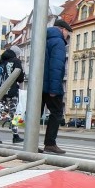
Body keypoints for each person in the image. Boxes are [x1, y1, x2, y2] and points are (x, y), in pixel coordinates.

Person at [41, 18, 71, 155]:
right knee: (57, 113)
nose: (67, 36)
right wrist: (54, 89)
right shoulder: (58, 42)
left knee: (37, 114)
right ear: (62, 29)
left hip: (39, 85)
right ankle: (50, 143)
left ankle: (31, 142)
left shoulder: (43, 38)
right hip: (50, 86)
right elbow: (56, 66)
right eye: (67, 33)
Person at [0, 47, 25, 144]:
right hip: (12, 91)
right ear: (16, 53)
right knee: (15, 114)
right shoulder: (16, 61)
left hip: (0, 91)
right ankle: (15, 136)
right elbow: (20, 78)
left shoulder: (1, 61)